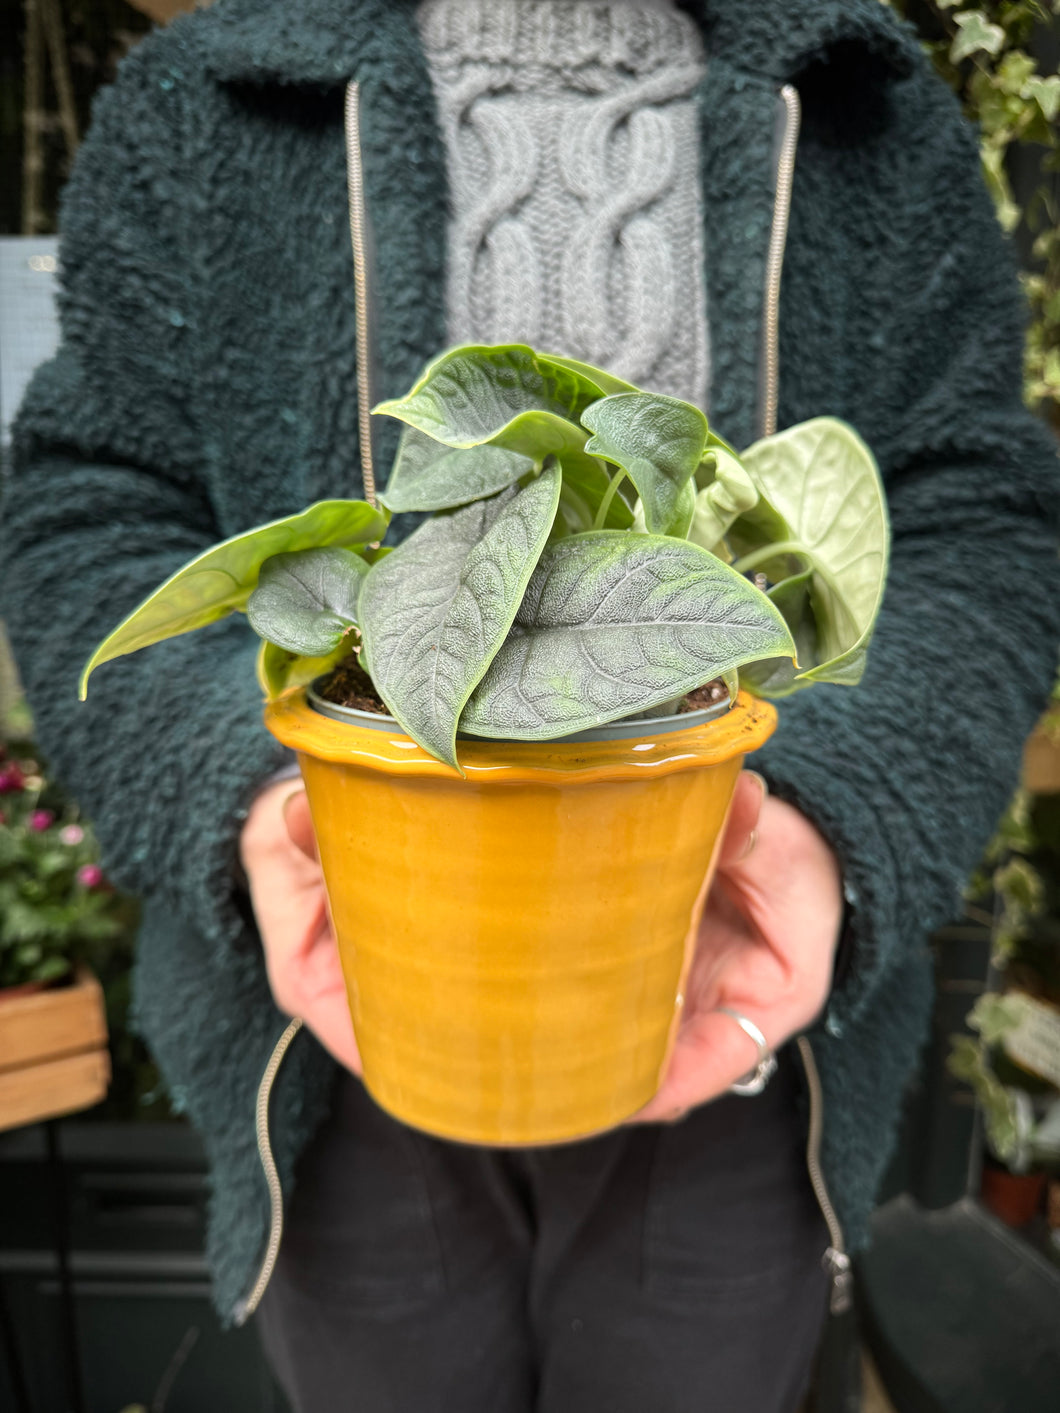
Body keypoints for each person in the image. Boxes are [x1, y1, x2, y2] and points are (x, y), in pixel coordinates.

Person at [2, 0, 1057, 1409]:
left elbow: (976, 520)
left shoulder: (868, 102)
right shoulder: (213, 98)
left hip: (742, 1029)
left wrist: (835, 824)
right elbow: (90, 504)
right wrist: (248, 792)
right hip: (331, 1032)